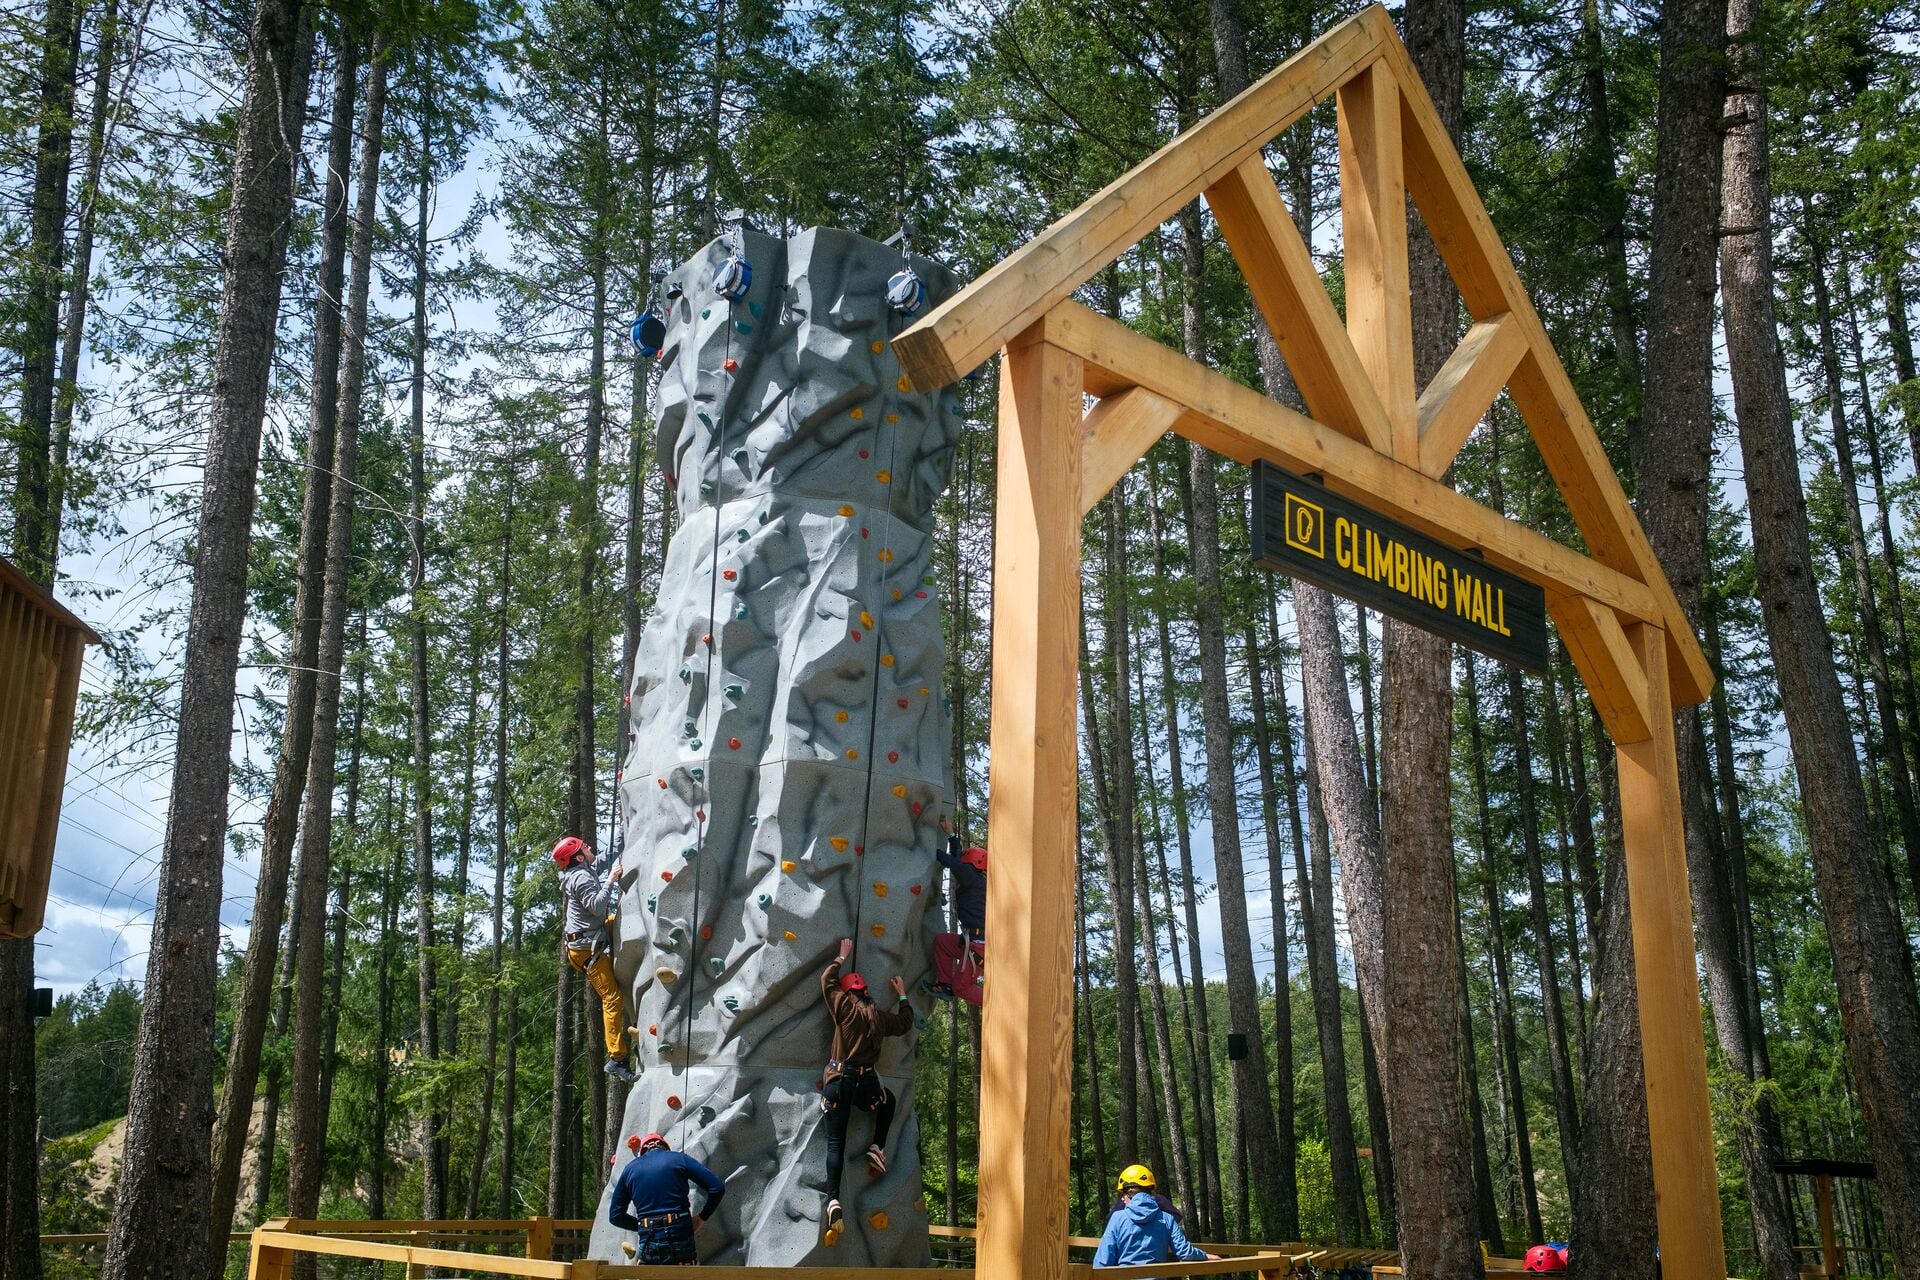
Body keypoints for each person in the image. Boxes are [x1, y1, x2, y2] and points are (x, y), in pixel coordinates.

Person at [819, 937, 913, 1243]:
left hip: (840, 1083)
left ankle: (833, 1200)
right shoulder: (878, 1016)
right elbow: (904, 1022)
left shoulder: (844, 1006)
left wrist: (841, 957)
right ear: (867, 991)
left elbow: (825, 980)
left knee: (836, 1142)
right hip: (867, 1086)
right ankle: (877, 1147)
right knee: (888, 1101)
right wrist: (901, 995)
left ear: (848, 992)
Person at [554, 835, 636, 1082]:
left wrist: (623, 829)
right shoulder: (579, 878)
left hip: (590, 938)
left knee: (622, 921)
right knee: (611, 998)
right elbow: (598, 907)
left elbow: (604, 857)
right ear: (579, 857)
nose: (590, 848)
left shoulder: (582, 869)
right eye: (585, 848)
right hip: (587, 950)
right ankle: (617, 1059)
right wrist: (611, 880)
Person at [608, 1131, 726, 1265]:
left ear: (643, 1150)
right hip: (680, 1238)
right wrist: (702, 1217)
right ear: (665, 1146)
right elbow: (717, 1188)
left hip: (648, 1242)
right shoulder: (679, 1159)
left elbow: (615, 1216)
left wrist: (643, 1226)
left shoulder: (630, 1169)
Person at [1094, 1166, 1217, 1276]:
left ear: (1130, 1192)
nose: (1122, 1199)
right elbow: (1185, 1252)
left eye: (1122, 1195)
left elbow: (1102, 1262)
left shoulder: (1117, 1218)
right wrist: (1205, 1256)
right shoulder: (1167, 1218)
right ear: (1151, 1190)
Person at [935, 814, 986, 938]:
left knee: (943, 943)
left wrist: (931, 849)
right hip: (973, 935)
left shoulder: (970, 876)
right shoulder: (975, 878)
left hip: (975, 937)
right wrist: (951, 834)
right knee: (943, 942)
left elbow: (954, 862)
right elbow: (957, 859)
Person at [1106, 1163, 1184, 1225]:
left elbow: (1110, 1223)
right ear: (1150, 1187)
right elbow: (1176, 1217)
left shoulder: (1121, 1207)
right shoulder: (1158, 1200)